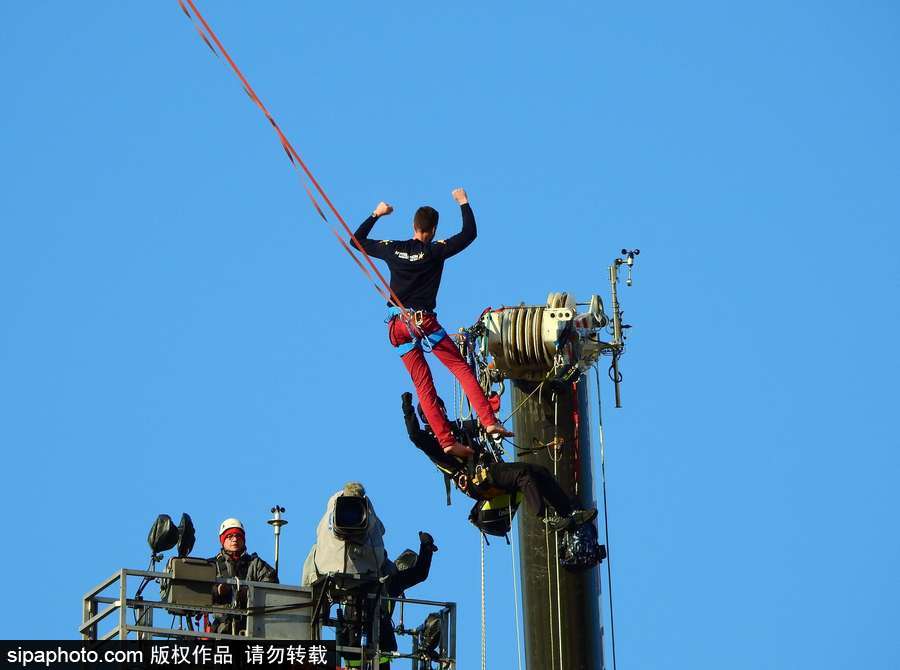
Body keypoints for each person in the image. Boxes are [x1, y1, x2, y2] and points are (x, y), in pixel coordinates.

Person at [353, 188, 512, 459]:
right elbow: (469, 234)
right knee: (460, 369)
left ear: (414, 226)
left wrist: (376, 213)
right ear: (434, 230)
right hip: (423, 323)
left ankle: (446, 440)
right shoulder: (435, 251)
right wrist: (464, 203)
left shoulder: (393, 249)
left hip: (398, 328)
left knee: (423, 385)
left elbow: (356, 240)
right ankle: (489, 421)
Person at [401, 392, 597, 532]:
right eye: (435, 409)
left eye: (440, 407)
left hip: (489, 470)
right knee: (524, 475)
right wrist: (407, 408)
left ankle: (568, 512)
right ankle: (546, 518)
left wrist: (491, 421)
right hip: (477, 479)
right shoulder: (431, 439)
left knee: (540, 471)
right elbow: (414, 436)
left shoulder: (456, 427)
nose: (440, 411)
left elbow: (481, 425)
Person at [338, 532, 438, 669]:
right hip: (377, 643)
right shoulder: (390, 581)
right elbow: (419, 573)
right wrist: (426, 547)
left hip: (354, 643)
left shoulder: (348, 577)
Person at [209, 518, 278, 635]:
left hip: (252, 630)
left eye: (238, 536)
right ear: (223, 540)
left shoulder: (256, 564)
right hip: (221, 631)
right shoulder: (212, 565)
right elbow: (200, 590)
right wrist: (217, 591)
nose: (235, 539)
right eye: (229, 536)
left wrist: (248, 594)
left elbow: (272, 586)